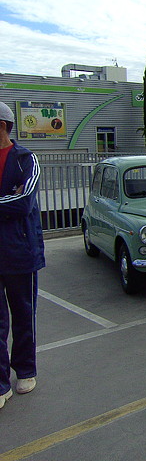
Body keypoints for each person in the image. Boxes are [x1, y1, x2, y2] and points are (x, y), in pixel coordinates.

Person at [0, 101, 45, 409]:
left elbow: (24, 201)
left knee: (23, 315)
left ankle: (25, 370)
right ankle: (1, 383)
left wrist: (14, 198)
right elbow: (11, 201)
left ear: (2, 126)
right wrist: (8, 197)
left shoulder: (25, 159)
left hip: (20, 252)